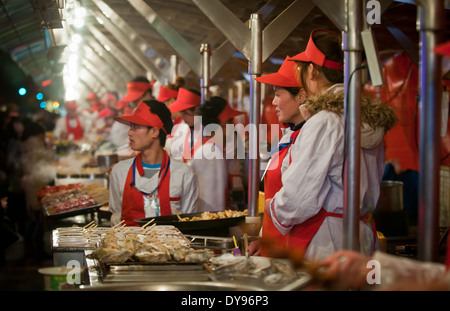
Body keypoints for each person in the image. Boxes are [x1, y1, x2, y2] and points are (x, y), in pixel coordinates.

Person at [255, 29, 397, 261]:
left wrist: (273, 208)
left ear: (312, 70)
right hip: (362, 238)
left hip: (328, 244)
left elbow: (299, 199)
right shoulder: (365, 118)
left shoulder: (325, 121)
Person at [248, 56, 307, 256]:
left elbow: (296, 201)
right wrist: (265, 239)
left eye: (278, 94)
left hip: (294, 248)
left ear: (301, 96)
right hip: (276, 243)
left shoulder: (308, 139)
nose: (272, 102)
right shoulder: (289, 136)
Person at [108, 99, 199, 226]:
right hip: (128, 244)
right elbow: (116, 216)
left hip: (171, 245)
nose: (129, 132)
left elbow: (189, 224)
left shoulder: (184, 174)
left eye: (136, 126)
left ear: (155, 132)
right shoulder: (119, 172)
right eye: (130, 126)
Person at [189, 96, 244, 212]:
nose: (233, 126)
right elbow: (212, 205)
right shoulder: (211, 154)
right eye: (229, 121)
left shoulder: (213, 150)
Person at [110, 77, 154, 155]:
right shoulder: (137, 111)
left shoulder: (158, 112)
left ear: (147, 94)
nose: (133, 102)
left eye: (137, 99)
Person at [166, 88, 202, 162]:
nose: (182, 116)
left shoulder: (208, 133)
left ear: (198, 111)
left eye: (186, 113)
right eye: (181, 112)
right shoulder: (185, 128)